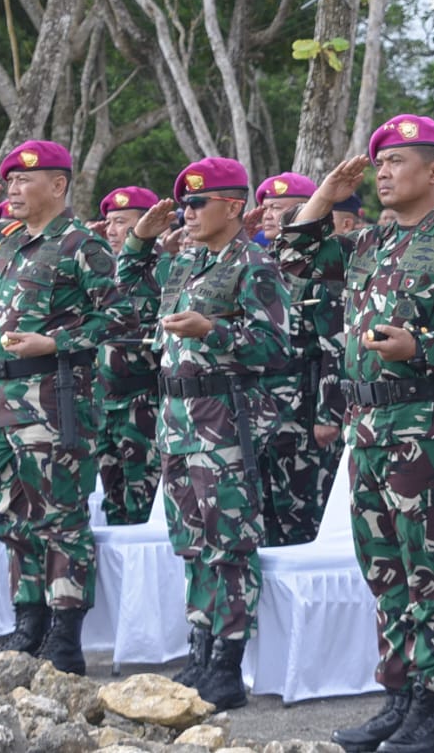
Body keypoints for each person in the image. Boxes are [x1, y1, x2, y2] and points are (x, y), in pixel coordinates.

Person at [276, 115, 434, 753]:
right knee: (383, 569)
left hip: (428, 428)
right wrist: (324, 194)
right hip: (370, 430)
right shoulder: (369, 243)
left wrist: (422, 349)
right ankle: (399, 697)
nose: (382, 172)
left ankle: (430, 713)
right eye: (378, 163)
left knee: (432, 571)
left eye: (397, 162)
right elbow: (294, 256)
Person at [0, 140, 136, 674]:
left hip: (53, 398)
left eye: (23, 181)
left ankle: (64, 633)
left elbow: (121, 317)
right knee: (13, 514)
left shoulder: (82, 245)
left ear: (58, 186)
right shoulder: (8, 243)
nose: (12, 190)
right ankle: (27, 618)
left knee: (60, 517)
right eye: (8, 182)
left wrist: (56, 343)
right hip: (1, 401)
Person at [117, 157, 289, 709]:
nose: (187, 212)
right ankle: (199, 646)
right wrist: (141, 239)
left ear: (232, 206)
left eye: (197, 203)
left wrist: (213, 329)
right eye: (184, 204)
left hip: (223, 422)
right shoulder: (183, 264)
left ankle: (227, 660)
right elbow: (125, 286)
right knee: (192, 543)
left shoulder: (254, 264)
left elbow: (273, 346)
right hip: (176, 423)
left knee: (229, 544)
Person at [252, 172, 339, 547]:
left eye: (281, 208)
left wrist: (328, 414)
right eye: (267, 207)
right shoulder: (256, 262)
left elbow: (335, 347)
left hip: (303, 415)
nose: (270, 215)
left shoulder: (321, 266)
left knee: (301, 519)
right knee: (262, 517)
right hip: (258, 412)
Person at [95, 186, 163, 525]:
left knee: (144, 507)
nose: (111, 230)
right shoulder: (100, 270)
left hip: (145, 405)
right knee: (113, 507)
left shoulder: (165, 270)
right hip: (104, 406)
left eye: (121, 222)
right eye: (108, 222)